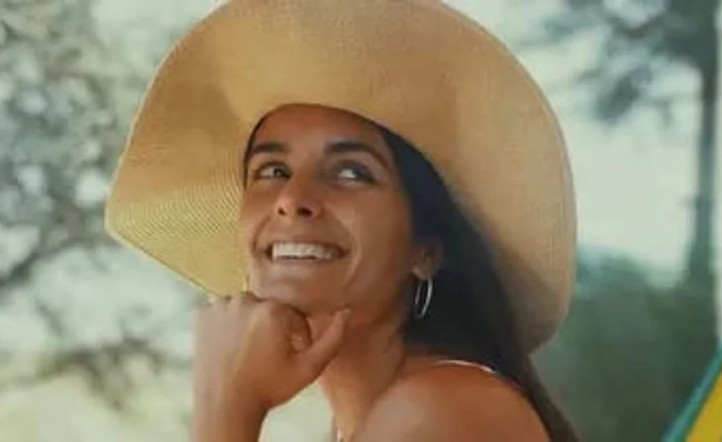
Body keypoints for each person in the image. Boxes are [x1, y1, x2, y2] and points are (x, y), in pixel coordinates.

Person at [105, 0, 579, 440]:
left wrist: (225, 408)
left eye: (351, 173)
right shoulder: (368, 419)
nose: (292, 199)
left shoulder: (442, 409)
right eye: (272, 171)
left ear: (426, 251)